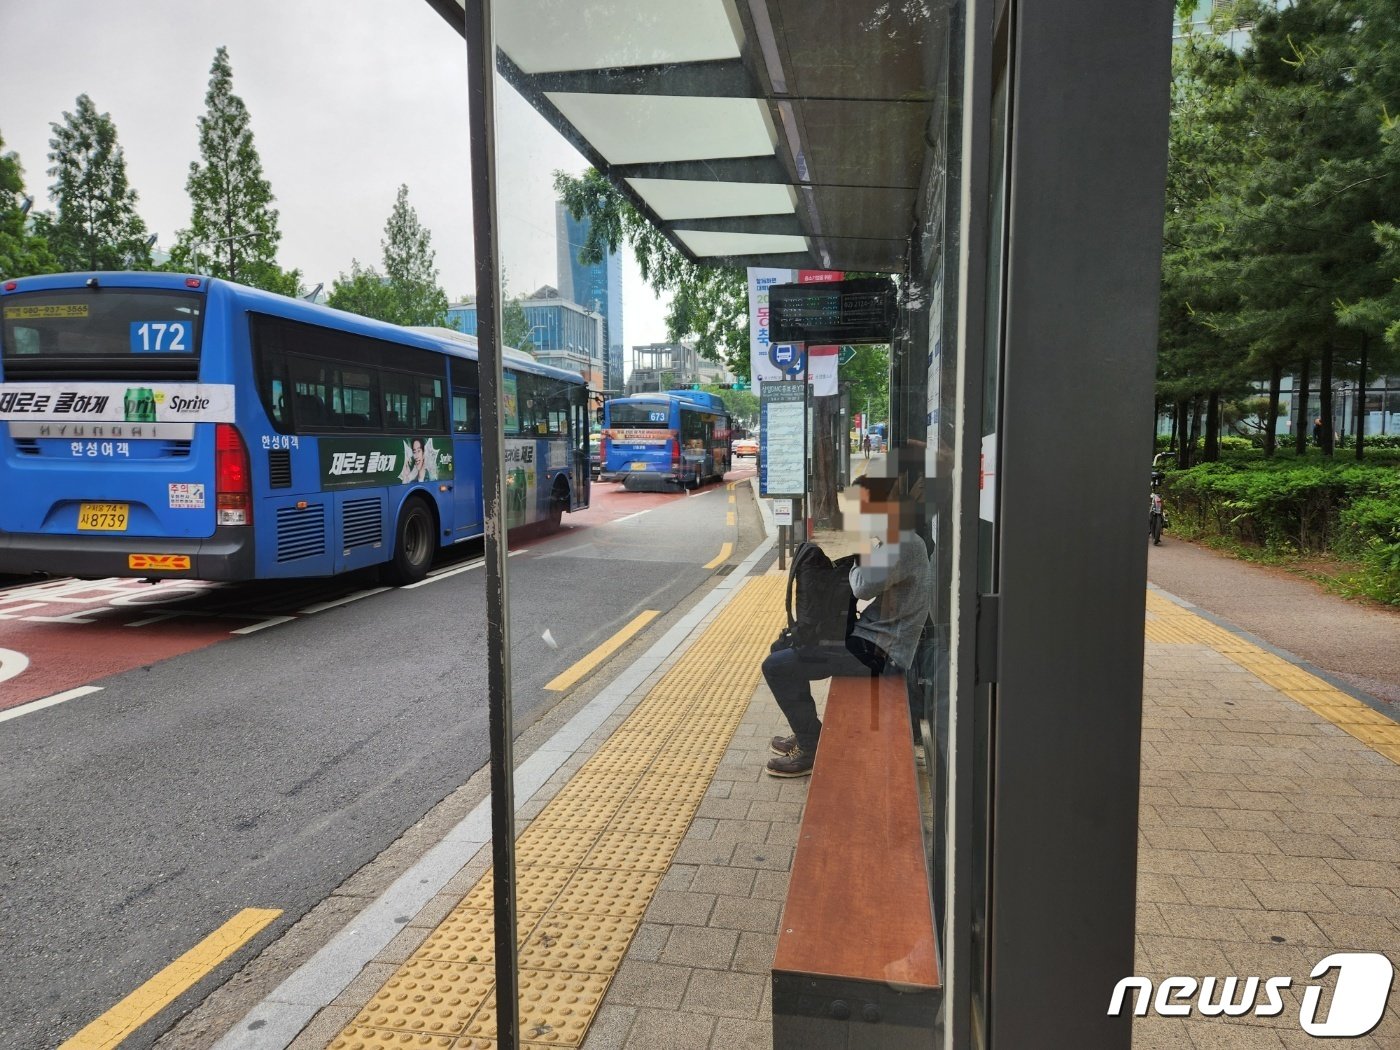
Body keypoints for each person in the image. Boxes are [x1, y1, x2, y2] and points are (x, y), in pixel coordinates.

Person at [761, 471, 932, 777]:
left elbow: (861, 586)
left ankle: (810, 747)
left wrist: (857, 560)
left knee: (776, 665)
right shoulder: (896, 538)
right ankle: (808, 735)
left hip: (881, 653)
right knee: (787, 649)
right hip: (872, 643)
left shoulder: (902, 543)